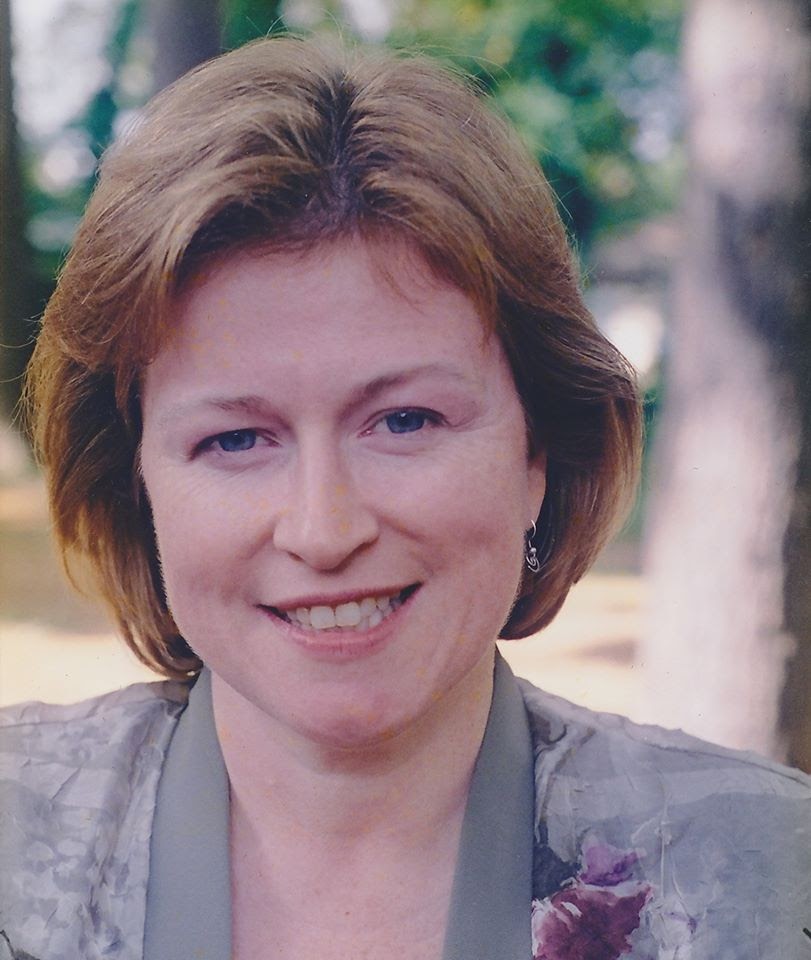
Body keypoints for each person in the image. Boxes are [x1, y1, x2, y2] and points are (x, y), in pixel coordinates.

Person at [1, 34, 809, 960]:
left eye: (404, 421)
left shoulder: (769, 873)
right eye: (235, 439)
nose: (324, 529)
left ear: (538, 452)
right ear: (137, 484)